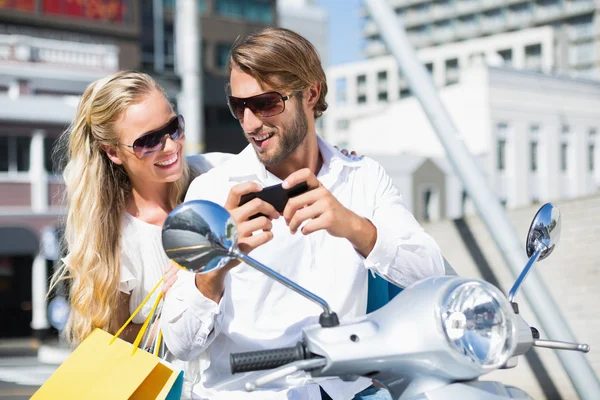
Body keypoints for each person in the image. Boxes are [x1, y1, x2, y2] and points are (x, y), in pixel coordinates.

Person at [160, 27, 446, 400]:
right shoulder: (213, 193)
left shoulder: (363, 178)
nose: (249, 123)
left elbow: (431, 274)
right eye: (239, 106)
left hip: (346, 391)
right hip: (250, 392)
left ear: (311, 93)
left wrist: (353, 227)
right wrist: (218, 264)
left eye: (266, 104)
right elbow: (180, 343)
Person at [48, 71, 230, 348]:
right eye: (148, 141)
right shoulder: (113, 235)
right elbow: (112, 336)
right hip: (175, 387)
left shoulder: (216, 174)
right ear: (112, 152)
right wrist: (179, 313)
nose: (171, 146)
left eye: (173, 127)